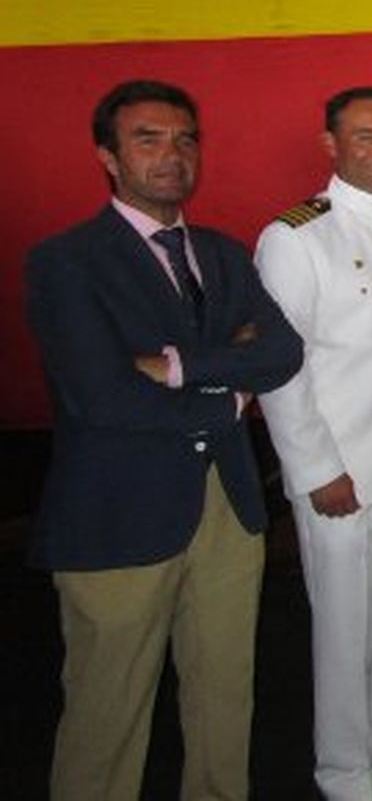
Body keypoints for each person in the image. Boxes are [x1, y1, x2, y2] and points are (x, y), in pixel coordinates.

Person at [24, 80, 303, 800]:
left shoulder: (220, 253)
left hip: (226, 513)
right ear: (108, 158)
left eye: (184, 139)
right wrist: (231, 393)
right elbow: (103, 395)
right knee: (107, 713)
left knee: (222, 703)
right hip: (117, 521)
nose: (172, 155)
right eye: (147, 138)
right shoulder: (67, 261)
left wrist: (176, 366)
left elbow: (281, 351)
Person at [256, 87, 372, 801]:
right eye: (366, 137)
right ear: (331, 144)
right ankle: (342, 765)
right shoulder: (297, 236)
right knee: (343, 621)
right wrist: (314, 469)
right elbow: (281, 367)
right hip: (343, 467)